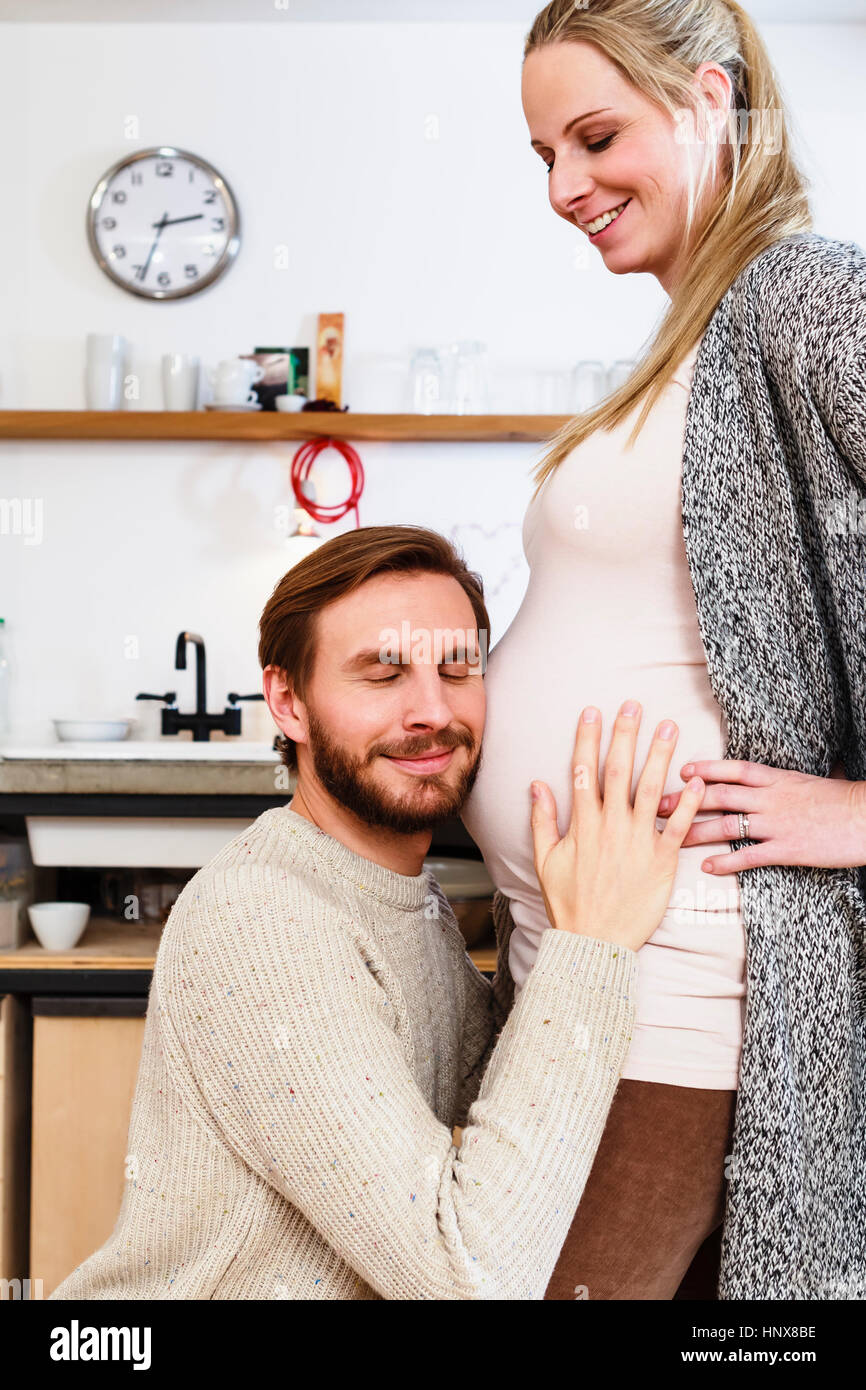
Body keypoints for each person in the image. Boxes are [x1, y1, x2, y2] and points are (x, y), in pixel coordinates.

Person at [459, 0, 866, 1300]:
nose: (564, 187)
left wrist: (859, 814)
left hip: (687, 985)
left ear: (706, 101)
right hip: (583, 964)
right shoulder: (689, 329)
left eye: (592, 135)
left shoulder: (805, 300)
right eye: (541, 157)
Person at [48, 526, 705, 1300]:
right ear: (288, 701)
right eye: (383, 674)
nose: (432, 710)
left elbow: (510, 1109)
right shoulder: (262, 921)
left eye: (458, 668)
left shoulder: (407, 903)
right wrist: (590, 943)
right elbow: (467, 1282)